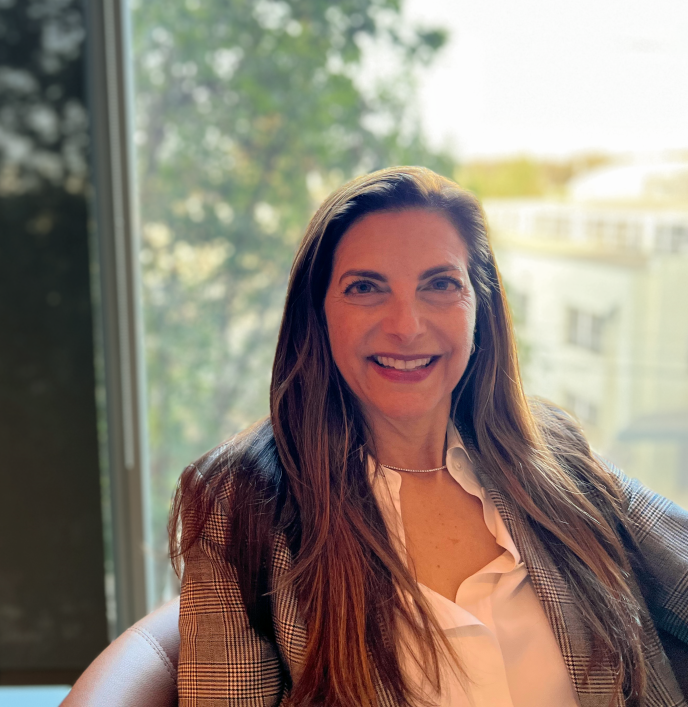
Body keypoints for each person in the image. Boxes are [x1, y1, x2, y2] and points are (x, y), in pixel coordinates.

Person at [169, 167, 688, 707]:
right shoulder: (240, 502)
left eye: (439, 284)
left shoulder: (553, 453)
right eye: (365, 288)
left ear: (479, 308)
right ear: (318, 313)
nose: (406, 325)